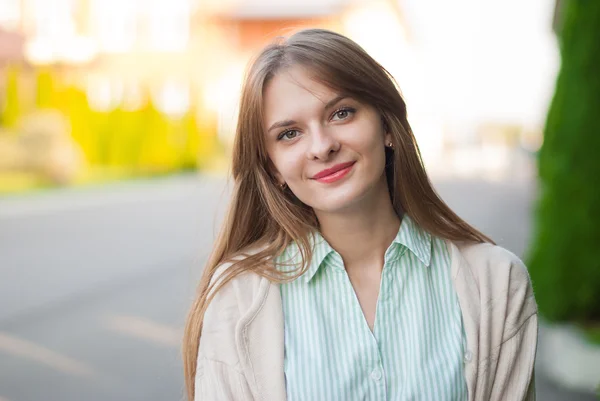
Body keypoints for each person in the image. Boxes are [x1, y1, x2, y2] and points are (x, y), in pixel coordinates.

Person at [182, 28, 538, 401]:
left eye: (341, 113)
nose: (321, 147)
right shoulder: (236, 298)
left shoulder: (496, 282)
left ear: (386, 125)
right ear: (272, 168)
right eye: (289, 134)